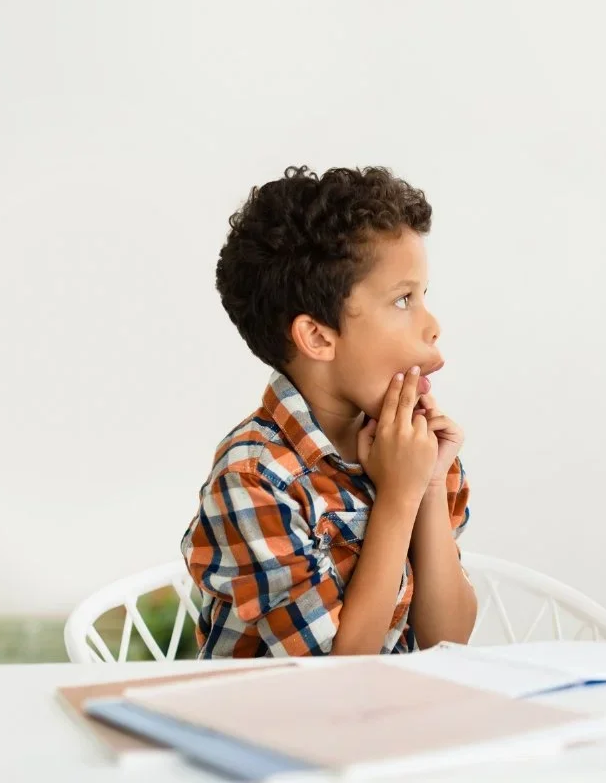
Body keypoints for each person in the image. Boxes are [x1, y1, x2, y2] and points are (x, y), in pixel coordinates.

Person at [182, 165, 476, 657]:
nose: (433, 325)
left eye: (424, 295)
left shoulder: (413, 449)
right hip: (287, 707)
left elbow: (448, 640)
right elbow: (336, 676)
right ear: (318, 337)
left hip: (393, 706)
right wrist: (397, 497)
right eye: (403, 299)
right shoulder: (253, 478)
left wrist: (426, 485)